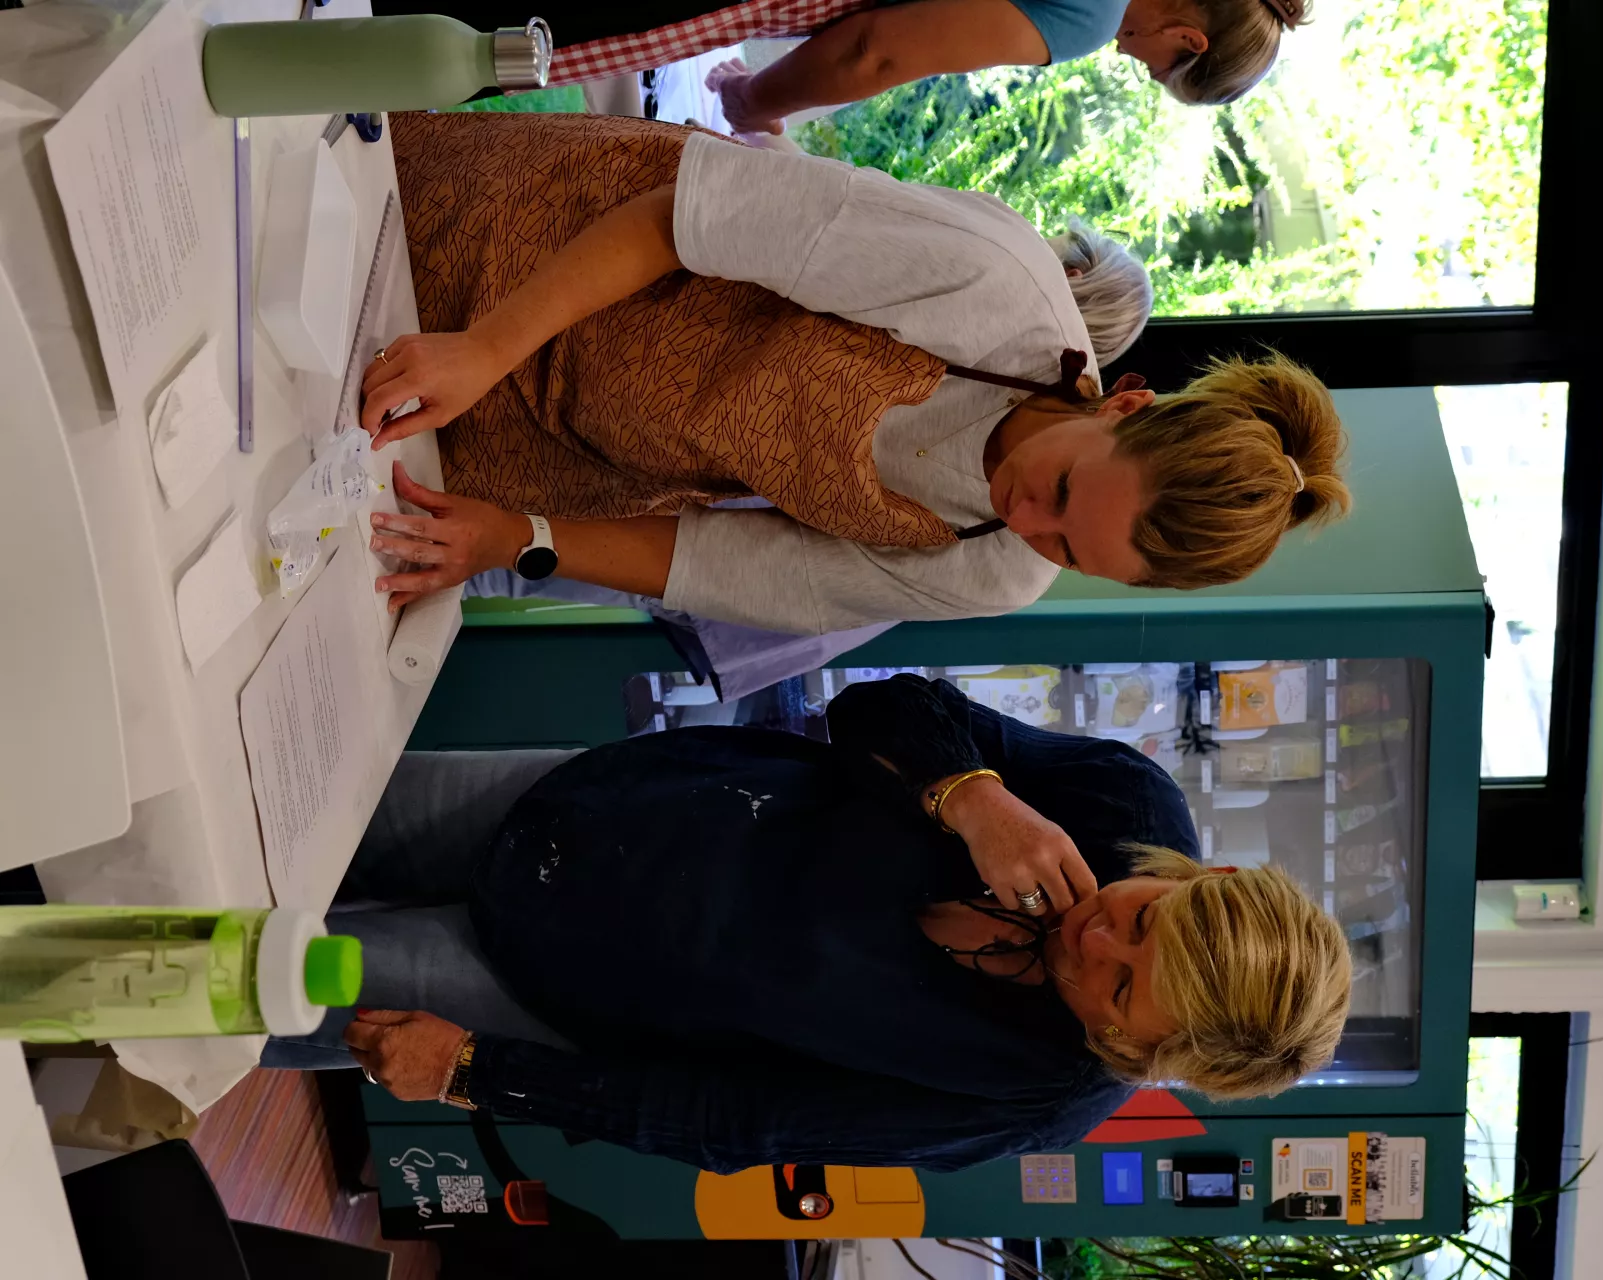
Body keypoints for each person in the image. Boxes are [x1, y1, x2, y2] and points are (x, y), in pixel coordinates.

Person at [262, 675, 1353, 1172]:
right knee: (268, 808)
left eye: (1117, 990)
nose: (1094, 938)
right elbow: (878, 707)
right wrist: (975, 795)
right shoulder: (1126, 807)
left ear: (1139, 1055)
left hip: (555, 982)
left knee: (232, 977)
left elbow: (739, 1123)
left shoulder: (1032, 1095)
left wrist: (476, 1075)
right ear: (1204, 874)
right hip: (601, 808)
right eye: (1146, 917)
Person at [362, 113, 1349, 636]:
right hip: (535, 245)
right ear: (1124, 403)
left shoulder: (996, 572)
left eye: (1069, 552)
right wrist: (485, 347)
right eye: (1058, 491)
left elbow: (730, 565)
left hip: (578, 451)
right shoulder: (994, 287)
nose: (1025, 518)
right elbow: (682, 219)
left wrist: (517, 538)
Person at [372, 0, 1306, 118]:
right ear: (1188, 41)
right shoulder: (1089, 17)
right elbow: (875, 50)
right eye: (1155, 67)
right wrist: (754, 104)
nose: (1132, 60)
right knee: (475, 41)